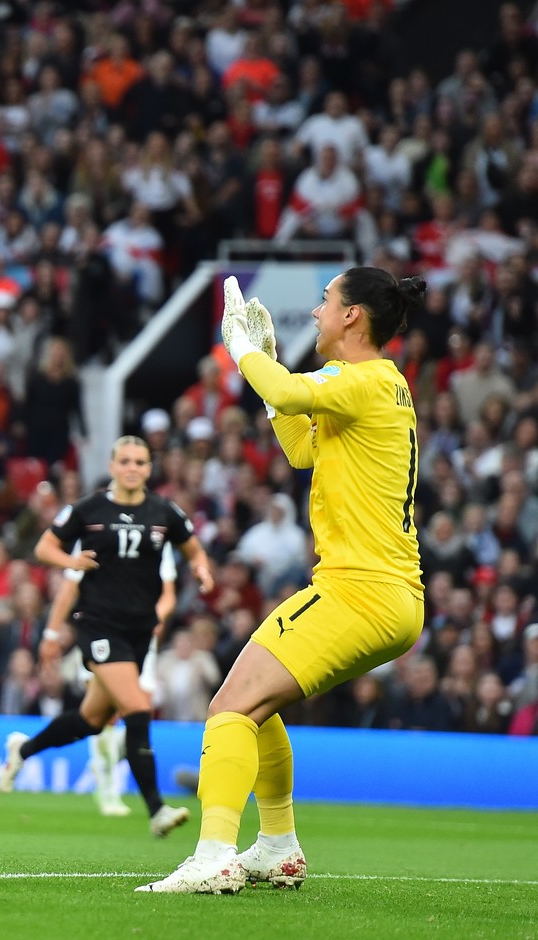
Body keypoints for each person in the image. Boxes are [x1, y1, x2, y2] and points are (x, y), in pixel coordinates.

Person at [139, 271, 426, 893]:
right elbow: (301, 447)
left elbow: (295, 396)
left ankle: (215, 855)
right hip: (386, 593)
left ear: (352, 316)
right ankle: (277, 846)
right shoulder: (371, 387)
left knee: (228, 707)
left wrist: (241, 350)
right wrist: (268, 370)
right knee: (257, 704)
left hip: (361, 589)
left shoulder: (366, 378)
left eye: (326, 300)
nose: (318, 311)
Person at [0, 436, 214, 839]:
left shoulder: (164, 512)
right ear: (113, 466)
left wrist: (201, 569)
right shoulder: (89, 509)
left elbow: (194, 550)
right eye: (125, 461)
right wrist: (70, 561)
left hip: (138, 630)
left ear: (150, 469)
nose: (132, 468)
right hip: (98, 625)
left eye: (140, 462)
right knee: (136, 707)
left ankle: (21, 751)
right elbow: (45, 546)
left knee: (92, 720)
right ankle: (156, 809)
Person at [39, 541, 179, 818]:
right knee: (105, 716)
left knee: (140, 711)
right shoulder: (93, 531)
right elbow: (70, 587)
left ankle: (103, 763)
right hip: (100, 632)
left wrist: (152, 618)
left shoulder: (156, 536)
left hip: (139, 636)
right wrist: (52, 633)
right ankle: (107, 789)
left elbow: (168, 595)